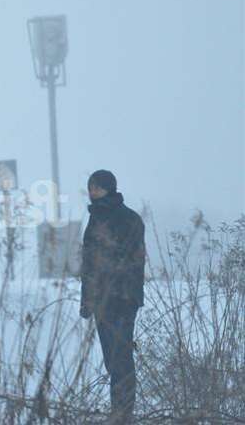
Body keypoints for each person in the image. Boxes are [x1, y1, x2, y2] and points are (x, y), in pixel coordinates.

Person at [80, 170, 145, 423]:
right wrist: (87, 300)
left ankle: (123, 412)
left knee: (120, 359)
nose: (93, 191)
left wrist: (120, 293)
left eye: (98, 187)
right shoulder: (97, 217)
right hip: (102, 299)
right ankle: (120, 410)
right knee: (113, 358)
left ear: (110, 188)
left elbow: (131, 260)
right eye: (91, 187)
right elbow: (89, 265)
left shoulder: (127, 219)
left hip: (121, 297)